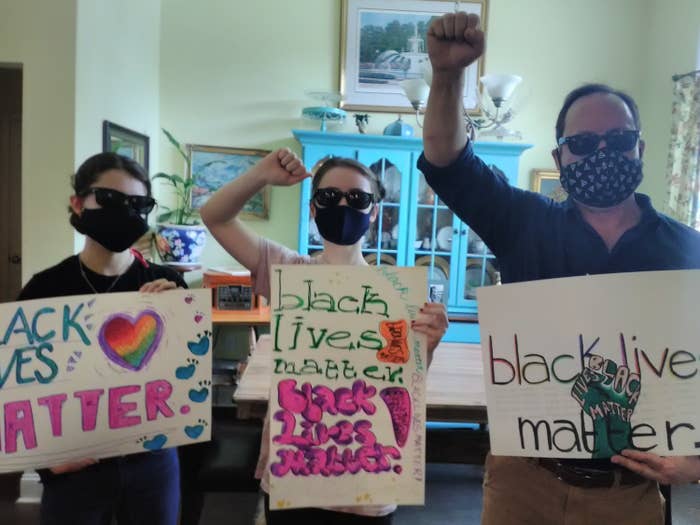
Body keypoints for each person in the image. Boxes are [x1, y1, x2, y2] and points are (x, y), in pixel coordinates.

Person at [418, 11, 700, 525]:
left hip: (627, 495)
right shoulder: (524, 222)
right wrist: (447, 76)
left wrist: (699, 460)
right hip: (521, 482)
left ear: (640, 147)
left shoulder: (687, 252)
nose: (602, 152)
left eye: (618, 140)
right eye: (583, 144)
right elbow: (444, 157)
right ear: (560, 156)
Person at [201, 149, 448, 524]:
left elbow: (400, 384)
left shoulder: (398, 294)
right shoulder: (288, 271)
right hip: (296, 471)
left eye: (359, 198)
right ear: (314, 209)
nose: (344, 206)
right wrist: (261, 175)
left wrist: (427, 347)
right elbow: (214, 216)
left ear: (374, 212)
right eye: (330, 197)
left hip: (367, 479)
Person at [18, 152, 186, 525]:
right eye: (110, 200)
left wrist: (179, 318)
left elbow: (186, 377)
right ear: (78, 203)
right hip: (77, 465)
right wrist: (47, 463)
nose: (125, 212)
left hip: (152, 461)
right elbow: (19, 385)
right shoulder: (44, 290)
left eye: (138, 204)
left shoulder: (166, 284)